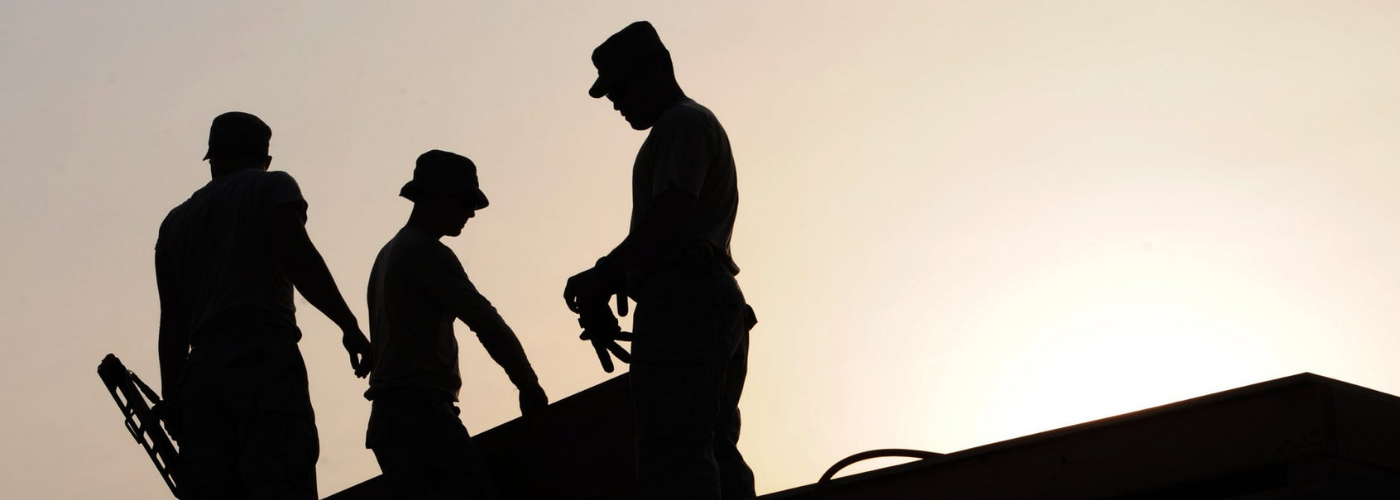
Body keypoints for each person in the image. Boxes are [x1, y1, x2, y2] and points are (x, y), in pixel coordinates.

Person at [564, 21, 757, 500]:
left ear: (656, 70)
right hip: (703, 301)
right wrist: (623, 278)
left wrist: (605, 274)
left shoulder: (682, 124)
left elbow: (673, 213)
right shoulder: (676, 131)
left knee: (676, 455)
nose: (614, 102)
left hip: (688, 304)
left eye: (620, 88)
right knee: (711, 446)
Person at [155, 111, 374, 500]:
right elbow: (300, 259)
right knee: (282, 478)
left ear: (213, 159)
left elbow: (172, 323)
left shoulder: (173, 223)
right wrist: (348, 323)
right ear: (265, 158)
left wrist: (173, 398)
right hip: (261, 360)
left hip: (200, 375)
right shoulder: (271, 187)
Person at [364, 150, 549, 500]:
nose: (471, 212)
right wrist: (528, 384)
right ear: (437, 197)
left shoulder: (388, 254)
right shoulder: (425, 252)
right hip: (420, 418)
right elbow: (485, 322)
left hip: (393, 421)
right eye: (465, 201)